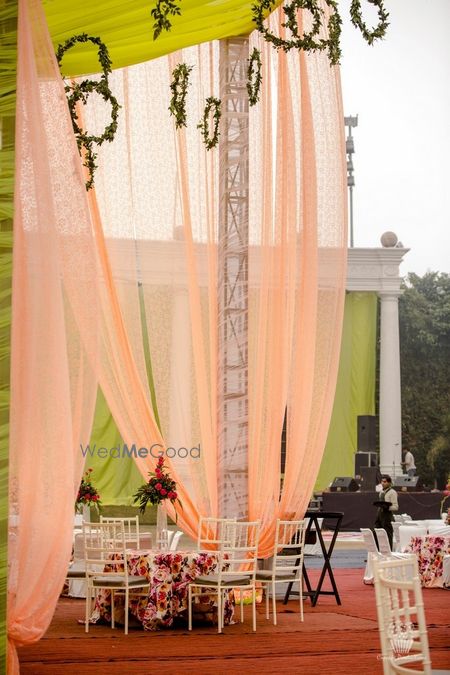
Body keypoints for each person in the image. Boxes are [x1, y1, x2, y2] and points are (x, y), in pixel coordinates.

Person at [374, 474, 398, 550]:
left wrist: (387, 507)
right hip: (379, 515)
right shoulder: (381, 492)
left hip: (387, 516)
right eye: (382, 481)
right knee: (376, 533)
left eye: (384, 482)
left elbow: (396, 507)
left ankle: (389, 552)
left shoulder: (392, 492)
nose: (382, 483)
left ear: (389, 483)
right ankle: (378, 552)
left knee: (388, 535)